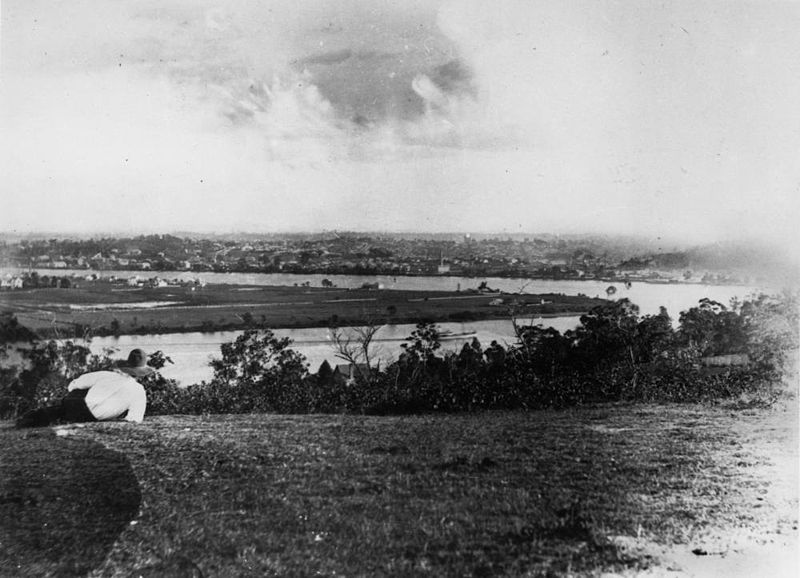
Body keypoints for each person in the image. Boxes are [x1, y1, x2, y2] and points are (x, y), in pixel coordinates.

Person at [16, 349, 153, 428]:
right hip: (91, 415)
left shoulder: (107, 375)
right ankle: (34, 419)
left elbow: (77, 383)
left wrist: (73, 394)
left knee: (61, 410)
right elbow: (134, 418)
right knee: (64, 412)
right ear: (141, 374)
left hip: (76, 402)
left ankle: (30, 418)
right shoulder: (139, 391)